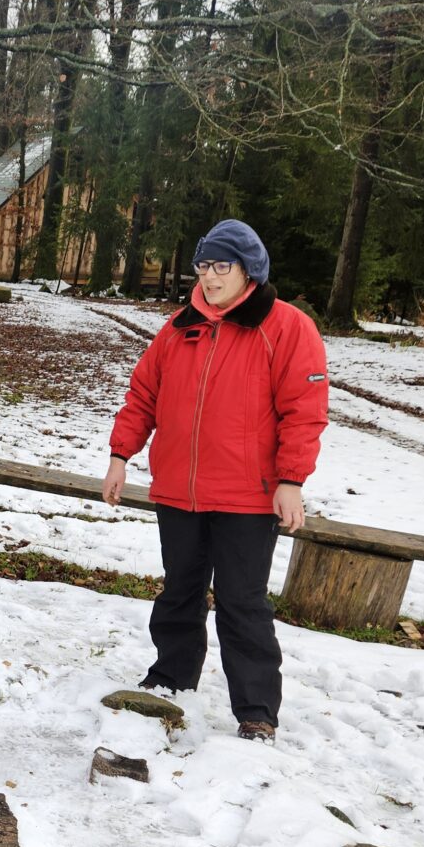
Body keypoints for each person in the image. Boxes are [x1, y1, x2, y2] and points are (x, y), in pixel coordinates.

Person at [101, 219, 330, 741]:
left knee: (241, 601)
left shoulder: (286, 327)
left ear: (248, 269)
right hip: (178, 490)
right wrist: (121, 455)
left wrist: (291, 480)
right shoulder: (180, 326)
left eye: (221, 266)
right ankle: (171, 679)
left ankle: (255, 711)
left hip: (247, 497)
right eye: (203, 265)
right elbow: (143, 395)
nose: (209, 276)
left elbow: (305, 410)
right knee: (179, 590)